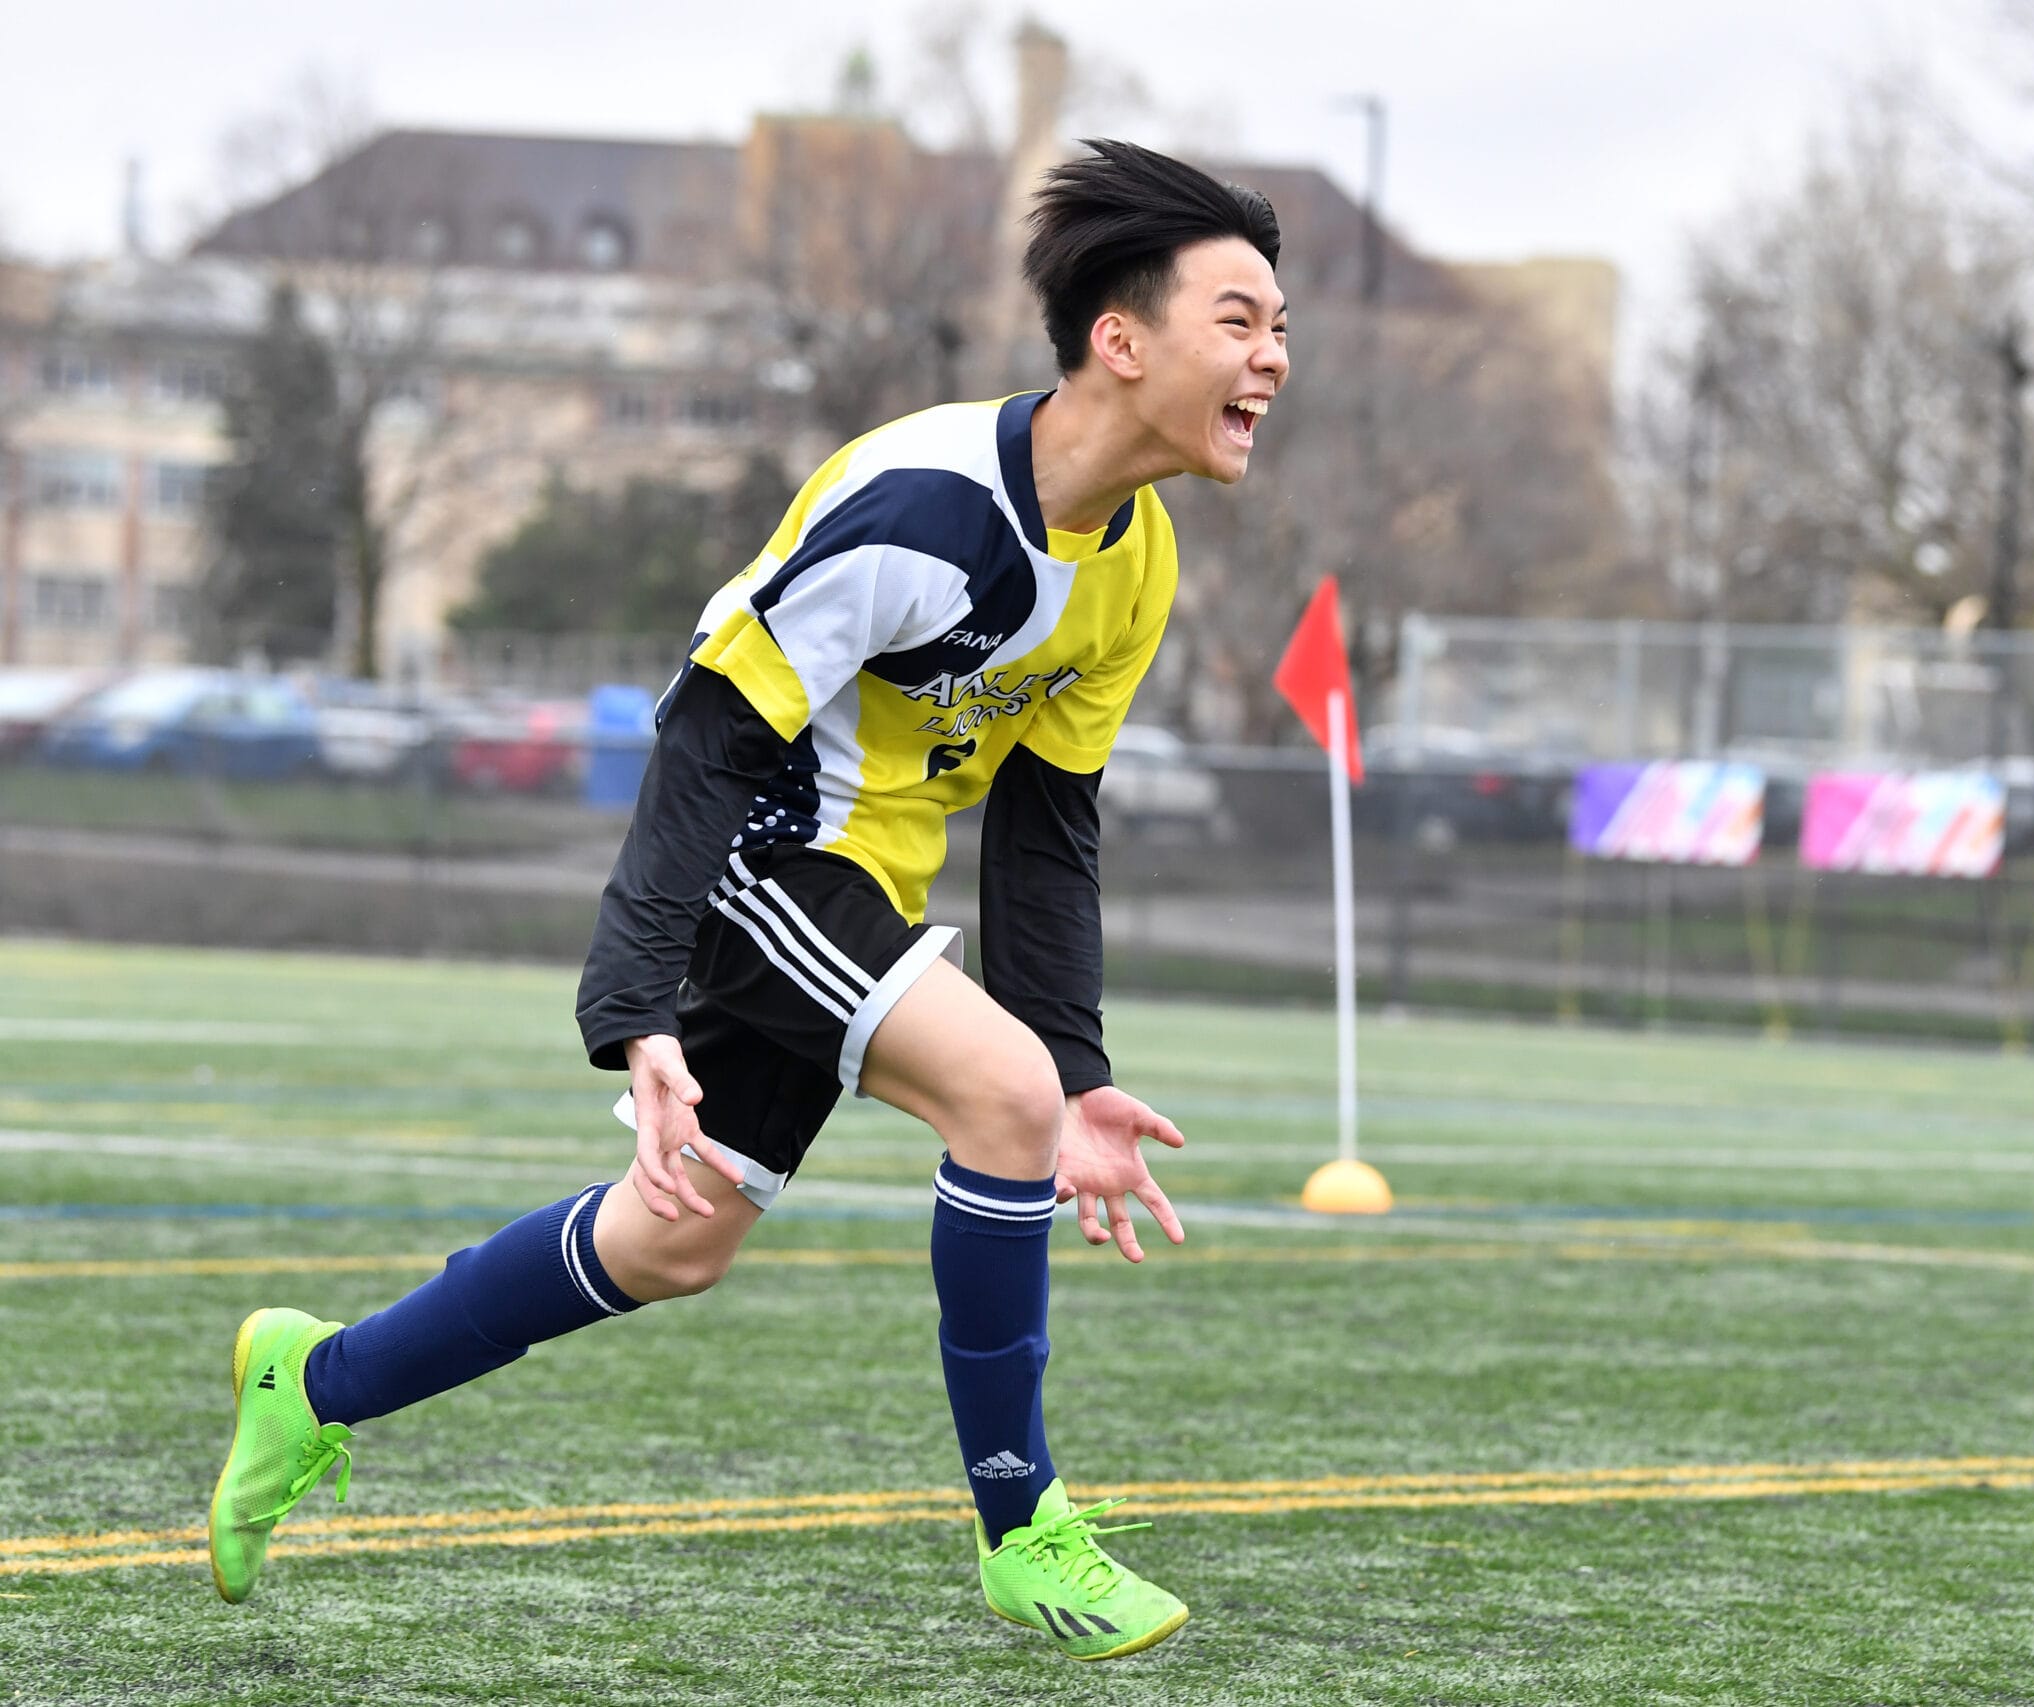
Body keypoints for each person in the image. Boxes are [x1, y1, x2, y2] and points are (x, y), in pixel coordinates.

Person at [206, 138, 1289, 1663]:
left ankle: (308, 1384)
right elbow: (712, 727)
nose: (1272, 358)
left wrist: (1084, 1081)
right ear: (1122, 340)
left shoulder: (1140, 557)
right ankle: (1024, 1529)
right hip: (758, 853)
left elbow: (1048, 826)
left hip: (861, 895)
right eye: (1239, 320)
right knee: (995, 1096)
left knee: (675, 1242)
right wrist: (631, 1007)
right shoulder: (924, 502)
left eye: (1281, 327)